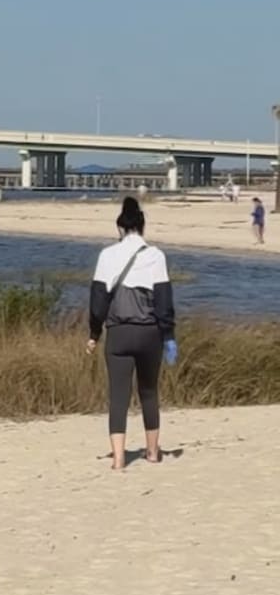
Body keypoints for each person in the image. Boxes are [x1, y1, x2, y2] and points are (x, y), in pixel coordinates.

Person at [86, 197, 177, 470]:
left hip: (119, 334)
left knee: (118, 396)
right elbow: (164, 302)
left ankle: (118, 458)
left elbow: (98, 302)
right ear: (142, 226)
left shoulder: (107, 255)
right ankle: (151, 452)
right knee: (149, 392)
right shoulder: (155, 255)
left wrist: (94, 334)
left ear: (120, 228)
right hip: (149, 333)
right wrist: (169, 336)